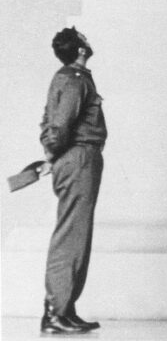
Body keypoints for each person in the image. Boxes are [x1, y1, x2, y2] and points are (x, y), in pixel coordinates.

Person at [38, 27, 107, 335]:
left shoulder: (72, 78)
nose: (88, 41)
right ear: (80, 49)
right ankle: (55, 312)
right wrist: (51, 155)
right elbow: (58, 126)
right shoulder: (72, 80)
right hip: (78, 158)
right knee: (71, 238)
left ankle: (64, 309)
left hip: (80, 158)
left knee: (77, 238)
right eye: (84, 39)